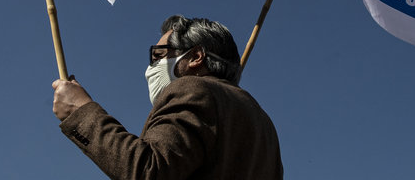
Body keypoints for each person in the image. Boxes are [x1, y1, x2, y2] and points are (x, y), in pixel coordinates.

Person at [52, 15, 284, 179]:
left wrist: (81, 111)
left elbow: (149, 170)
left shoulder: (193, 89)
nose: (151, 66)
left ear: (195, 56)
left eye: (159, 55)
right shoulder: (264, 126)